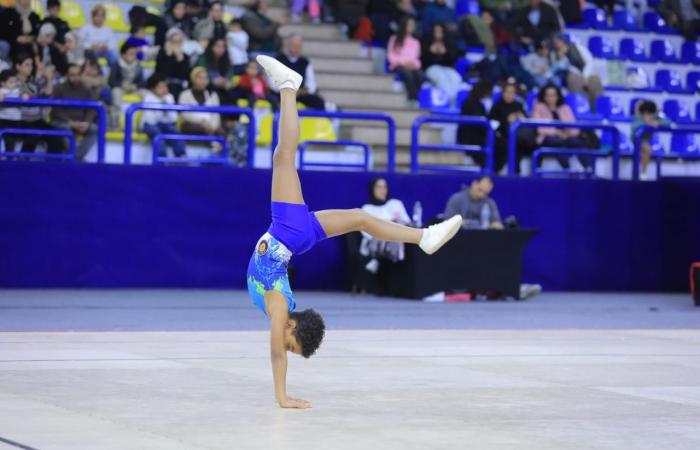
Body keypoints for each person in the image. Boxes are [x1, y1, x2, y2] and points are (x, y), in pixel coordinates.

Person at [247, 55, 463, 408]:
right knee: (288, 160)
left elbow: (276, 352)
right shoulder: (280, 309)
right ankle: (288, 88)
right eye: (290, 343)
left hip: (292, 237)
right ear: (292, 327)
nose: (281, 344)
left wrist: (282, 395)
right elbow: (275, 355)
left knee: (344, 205)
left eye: (289, 347)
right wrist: (282, 397)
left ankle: (423, 238)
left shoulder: (281, 311)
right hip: (289, 234)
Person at [359, 177, 412, 280]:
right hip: (375, 241)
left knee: (396, 227)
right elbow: (366, 231)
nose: (382, 190)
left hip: (399, 238)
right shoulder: (366, 208)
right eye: (378, 187)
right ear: (372, 189)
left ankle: (378, 260)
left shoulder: (396, 204)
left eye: (384, 187)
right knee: (384, 232)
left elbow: (407, 222)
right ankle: (385, 255)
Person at [14, 52, 65, 154]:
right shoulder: (12, 81)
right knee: (33, 134)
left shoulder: (33, 81)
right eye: (27, 65)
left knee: (57, 135)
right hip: (21, 120)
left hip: (36, 120)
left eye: (31, 65)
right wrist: (38, 79)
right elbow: (27, 95)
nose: (30, 67)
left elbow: (47, 96)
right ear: (18, 67)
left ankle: (52, 167)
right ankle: (23, 163)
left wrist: (49, 78)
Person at [531, 83, 585, 169]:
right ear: (543, 96)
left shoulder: (565, 108)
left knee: (577, 142)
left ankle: (589, 168)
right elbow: (539, 128)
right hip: (547, 137)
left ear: (558, 96)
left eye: (553, 95)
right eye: (547, 95)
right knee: (556, 142)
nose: (550, 98)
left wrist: (567, 134)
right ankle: (567, 169)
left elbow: (575, 128)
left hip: (566, 136)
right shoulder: (538, 107)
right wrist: (557, 132)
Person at [51, 64, 98, 161]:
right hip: (62, 122)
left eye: (77, 75)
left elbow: (91, 109)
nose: (75, 78)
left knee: (94, 129)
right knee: (64, 128)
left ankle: (76, 157)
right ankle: (77, 160)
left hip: (80, 122)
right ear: (67, 76)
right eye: (72, 75)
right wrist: (70, 122)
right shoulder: (58, 88)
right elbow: (56, 110)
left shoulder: (86, 89)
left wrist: (87, 122)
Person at [489, 81, 535, 174]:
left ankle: (518, 172)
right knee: (506, 144)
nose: (509, 95)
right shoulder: (496, 106)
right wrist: (506, 120)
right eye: (507, 92)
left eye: (512, 92)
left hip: (518, 136)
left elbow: (527, 120)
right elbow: (492, 123)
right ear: (503, 92)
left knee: (523, 143)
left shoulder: (518, 105)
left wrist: (522, 119)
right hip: (502, 135)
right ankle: (497, 171)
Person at [550, 33, 602, 113]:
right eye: (555, 43)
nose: (557, 44)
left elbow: (589, 61)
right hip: (570, 75)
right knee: (574, 80)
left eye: (558, 41)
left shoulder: (577, 47)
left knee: (595, 81)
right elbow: (557, 69)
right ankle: (579, 109)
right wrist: (561, 58)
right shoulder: (554, 54)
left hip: (586, 73)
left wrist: (585, 76)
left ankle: (597, 110)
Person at [141, 72, 187, 159]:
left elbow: (174, 118)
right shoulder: (148, 98)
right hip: (150, 124)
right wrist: (161, 108)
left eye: (165, 86)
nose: (164, 89)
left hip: (166, 124)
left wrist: (166, 108)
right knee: (158, 135)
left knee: (175, 132)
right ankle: (162, 160)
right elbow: (150, 119)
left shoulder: (169, 97)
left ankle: (182, 156)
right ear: (153, 88)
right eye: (160, 87)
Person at [276, 34, 326, 110]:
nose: (295, 49)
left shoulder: (305, 63)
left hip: (300, 94)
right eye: (293, 46)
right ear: (288, 45)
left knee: (318, 102)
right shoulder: (279, 59)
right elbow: (272, 82)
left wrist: (302, 91)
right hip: (282, 93)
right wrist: (288, 91)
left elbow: (311, 83)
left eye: (298, 46)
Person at [178, 66, 227, 140]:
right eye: (200, 78)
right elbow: (185, 115)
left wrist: (211, 126)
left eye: (205, 78)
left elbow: (216, 116)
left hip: (210, 126)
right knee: (187, 126)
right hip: (192, 125)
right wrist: (203, 123)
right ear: (193, 79)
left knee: (221, 131)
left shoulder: (213, 95)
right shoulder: (184, 94)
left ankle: (218, 148)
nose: (203, 81)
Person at [422, 23, 461, 104]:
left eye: (440, 31)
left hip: (447, 68)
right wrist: (430, 52)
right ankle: (449, 100)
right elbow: (423, 62)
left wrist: (445, 53)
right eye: (436, 31)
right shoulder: (427, 42)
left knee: (456, 77)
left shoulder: (448, 44)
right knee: (441, 77)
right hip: (432, 68)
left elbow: (452, 61)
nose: (438, 33)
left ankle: (455, 100)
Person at [456, 80, 493, 168]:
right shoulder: (471, 103)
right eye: (489, 92)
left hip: (475, 137)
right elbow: (479, 125)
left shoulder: (478, 103)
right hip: (470, 139)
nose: (491, 94)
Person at [387, 16, 423, 106]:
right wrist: (404, 63)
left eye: (413, 25)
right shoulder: (394, 39)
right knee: (408, 75)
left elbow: (417, 59)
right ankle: (412, 99)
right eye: (410, 25)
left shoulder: (416, 42)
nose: (412, 27)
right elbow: (391, 56)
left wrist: (414, 65)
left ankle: (418, 99)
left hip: (412, 67)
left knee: (420, 75)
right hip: (398, 66)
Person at [632, 100, 669, 180]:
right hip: (636, 140)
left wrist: (659, 116)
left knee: (647, 148)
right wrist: (647, 123)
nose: (648, 115)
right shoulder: (638, 117)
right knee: (647, 149)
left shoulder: (656, 116)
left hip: (646, 140)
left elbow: (667, 123)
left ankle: (642, 173)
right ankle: (643, 174)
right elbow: (634, 127)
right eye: (645, 113)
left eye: (650, 113)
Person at [0, 68, 31, 152]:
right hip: (3, 120)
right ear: (2, 83)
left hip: (16, 120)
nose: (14, 84)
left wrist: (25, 94)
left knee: (16, 140)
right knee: (6, 141)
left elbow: (26, 93)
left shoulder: (17, 91)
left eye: (15, 81)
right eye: (11, 82)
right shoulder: (2, 91)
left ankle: (14, 157)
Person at [156, 28, 192, 100]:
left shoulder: (185, 56)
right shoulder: (162, 54)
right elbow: (162, 73)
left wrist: (180, 58)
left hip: (180, 87)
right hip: (164, 85)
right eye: (174, 42)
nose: (177, 44)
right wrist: (168, 55)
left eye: (179, 42)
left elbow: (185, 75)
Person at [108, 42, 145, 106]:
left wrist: (135, 86)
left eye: (135, 54)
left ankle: (145, 115)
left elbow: (142, 82)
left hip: (134, 88)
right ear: (123, 55)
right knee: (116, 92)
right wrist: (122, 85)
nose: (134, 56)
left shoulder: (138, 66)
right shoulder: (116, 65)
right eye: (131, 54)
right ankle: (116, 114)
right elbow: (112, 81)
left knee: (146, 94)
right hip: (120, 88)